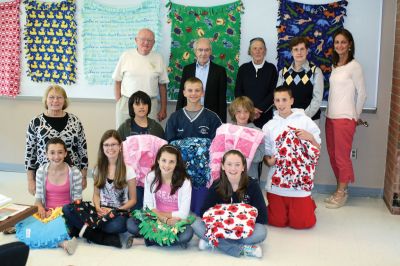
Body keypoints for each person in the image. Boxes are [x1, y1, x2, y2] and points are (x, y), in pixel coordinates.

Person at [62, 130, 136, 247]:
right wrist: (97, 207)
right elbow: (96, 195)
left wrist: (114, 211)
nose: (110, 148)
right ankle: (98, 236)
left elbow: (133, 200)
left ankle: (85, 230)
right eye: (106, 145)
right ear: (102, 148)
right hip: (100, 211)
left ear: (120, 147)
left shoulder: (129, 170)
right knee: (67, 208)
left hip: (118, 213)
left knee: (118, 226)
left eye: (113, 144)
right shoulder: (98, 169)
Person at [262, 86, 321, 229]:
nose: (281, 104)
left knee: (303, 224)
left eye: (284, 100)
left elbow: (317, 149)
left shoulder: (305, 121)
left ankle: (308, 203)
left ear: (291, 101)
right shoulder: (269, 126)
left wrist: (311, 138)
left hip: (299, 183)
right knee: (277, 222)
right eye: (277, 100)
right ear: (274, 102)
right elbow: (266, 153)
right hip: (277, 182)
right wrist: (268, 160)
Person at [192, 150, 267, 258]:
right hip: (220, 228)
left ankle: (213, 241)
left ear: (243, 167)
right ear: (222, 166)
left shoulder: (252, 185)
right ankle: (243, 249)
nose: (233, 168)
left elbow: (262, 216)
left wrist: (242, 224)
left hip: (243, 230)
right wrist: (221, 221)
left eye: (237, 165)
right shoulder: (217, 185)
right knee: (196, 225)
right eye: (229, 164)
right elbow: (204, 211)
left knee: (261, 232)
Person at [324, 29, 367, 209]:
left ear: (350, 44)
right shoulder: (336, 66)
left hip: (344, 118)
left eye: (343, 42)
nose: (339, 45)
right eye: (337, 42)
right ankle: (341, 189)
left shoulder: (354, 66)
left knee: (342, 157)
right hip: (330, 116)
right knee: (334, 156)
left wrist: (354, 117)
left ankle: (341, 193)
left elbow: (363, 93)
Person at [19, 138, 82, 254]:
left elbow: (78, 201)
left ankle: (60, 240)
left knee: (56, 226)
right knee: (23, 219)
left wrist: (56, 213)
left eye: (60, 152)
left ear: (65, 153)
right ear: (46, 154)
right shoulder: (41, 172)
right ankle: (62, 242)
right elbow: (38, 200)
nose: (56, 156)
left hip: (66, 213)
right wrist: (41, 208)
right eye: (52, 153)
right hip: (46, 212)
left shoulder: (75, 173)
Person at [25, 85, 88, 196]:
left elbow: (82, 150)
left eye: (59, 97)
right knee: (45, 208)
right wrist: (30, 180)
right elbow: (30, 153)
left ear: (64, 100)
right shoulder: (36, 122)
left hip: (71, 174)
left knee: (71, 208)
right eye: (51, 97)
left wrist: (83, 176)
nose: (55, 101)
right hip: (44, 175)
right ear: (46, 100)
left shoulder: (75, 121)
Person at [126, 145, 193, 248]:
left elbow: (183, 213)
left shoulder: (185, 182)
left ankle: (143, 241)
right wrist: (163, 219)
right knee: (131, 224)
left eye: (171, 162)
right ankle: (168, 239)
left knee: (187, 234)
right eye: (164, 160)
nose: (167, 165)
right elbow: (147, 207)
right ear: (158, 160)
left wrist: (164, 217)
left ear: (176, 164)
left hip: (175, 220)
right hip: (155, 218)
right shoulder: (151, 176)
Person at [112, 28, 169, 127]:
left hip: (149, 104)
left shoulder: (158, 58)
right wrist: (119, 102)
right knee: (123, 137)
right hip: (127, 103)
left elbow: (162, 86)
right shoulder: (126, 56)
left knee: (148, 138)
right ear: (136, 40)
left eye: (149, 40)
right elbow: (117, 81)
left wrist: (163, 108)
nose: (146, 43)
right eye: (142, 39)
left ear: (154, 42)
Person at [176, 38, 228, 122]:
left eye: (206, 50)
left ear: (210, 51)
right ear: (195, 51)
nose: (203, 53)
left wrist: (222, 122)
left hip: (211, 116)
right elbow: (181, 96)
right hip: (189, 114)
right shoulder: (187, 69)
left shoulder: (220, 71)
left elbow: (222, 99)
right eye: (200, 50)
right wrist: (178, 116)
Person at [277, 36, 323, 122]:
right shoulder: (283, 72)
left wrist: (302, 118)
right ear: (291, 52)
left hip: (309, 120)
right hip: (287, 120)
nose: (299, 52)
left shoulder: (315, 72)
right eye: (295, 49)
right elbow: (279, 97)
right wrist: (288, 116)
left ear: (307, 51)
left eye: (302, 49)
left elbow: (317, 99)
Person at [235, 37, 278, 128]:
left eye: (260, 48)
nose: (258, 51)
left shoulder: (271, 69)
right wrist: (250, 110)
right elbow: (238, 91)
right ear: (250, 51)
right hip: (244, 115)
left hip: (265, 115)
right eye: (254, 48)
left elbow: (273, 92)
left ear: (265, 51)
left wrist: (259, 110)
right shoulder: (243, 69)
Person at [165, 77, 222, 142]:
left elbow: (218, 145)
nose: (193, 93)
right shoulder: (174, 117)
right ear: (184, 93)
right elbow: (168, 145)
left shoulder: (213, 118)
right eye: (190, 90)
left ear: (202, 93)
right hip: (179, 152)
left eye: (197, 90)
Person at [227, 96, 265, 179]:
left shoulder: (258, 132)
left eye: (246, 111)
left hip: (250, 177)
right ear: (233, 112)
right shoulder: (227, 131)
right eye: (238, 111)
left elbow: (259, 157)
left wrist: (243, 144)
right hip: (229, 178)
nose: (242, 115)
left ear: (250, 113)